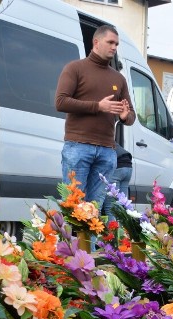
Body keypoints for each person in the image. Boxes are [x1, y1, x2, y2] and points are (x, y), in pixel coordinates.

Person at [55, 24, 136, 208]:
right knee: (74, 208)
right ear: (96, 42)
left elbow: (131, 116)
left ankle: (90, 239)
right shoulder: (75, 68)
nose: (114, 47)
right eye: (110, 42)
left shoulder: (119, 78)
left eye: (116, 44)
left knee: (94, 210)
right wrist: (98, 106)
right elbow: (60, 102)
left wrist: (125, 116)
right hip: (78, 146)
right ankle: (71, 238)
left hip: (107, 151)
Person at [102, 143, 133, 217]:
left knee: (111, 208)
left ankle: (113, 228)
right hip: (128, 167)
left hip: (118, 167)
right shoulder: (110, 140)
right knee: (122, 206)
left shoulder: (99, 142)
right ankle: (122, 228)